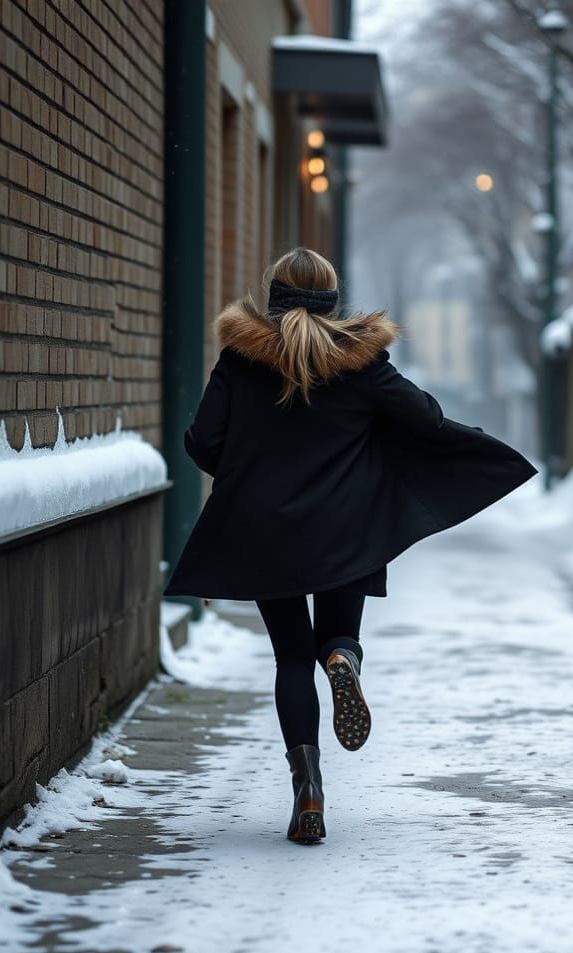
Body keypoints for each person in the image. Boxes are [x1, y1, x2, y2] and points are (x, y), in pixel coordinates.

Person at [163, 247, 536, 843]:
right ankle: (341, 658)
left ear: (274, 294)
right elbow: (426, 419)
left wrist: (251, 470)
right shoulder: (360, 360)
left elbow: (203, 440)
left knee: (291, 658)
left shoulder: (241, 357)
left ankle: (308, 789)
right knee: (336, 634)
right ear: (333, 298)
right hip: (345, 528)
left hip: (267, 532)